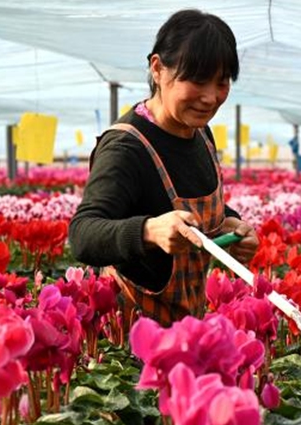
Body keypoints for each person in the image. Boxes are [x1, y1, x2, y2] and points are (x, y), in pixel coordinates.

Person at [68, 9, 257, 326]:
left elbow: (186, 200)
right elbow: (82, 234)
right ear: (157, 69)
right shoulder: (126, 148)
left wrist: (230, 225)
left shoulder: (199, 133)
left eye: (221, 82)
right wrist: (149, 230)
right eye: (197, 80)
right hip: (130, 335)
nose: (210, 97)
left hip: (185, 324)